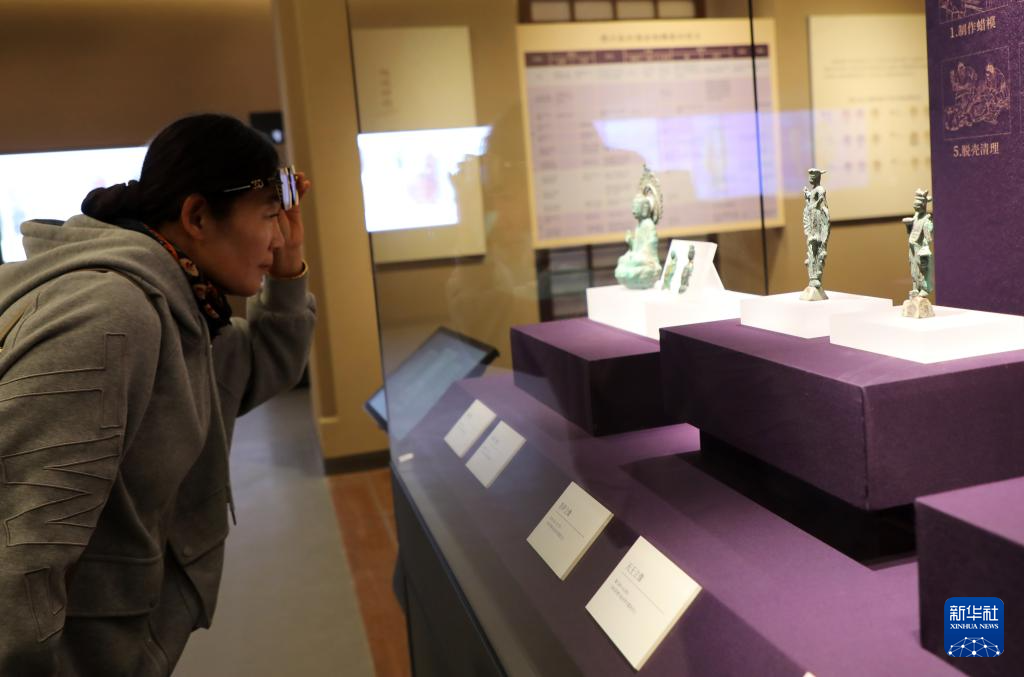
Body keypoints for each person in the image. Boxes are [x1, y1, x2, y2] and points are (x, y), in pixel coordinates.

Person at [0, 113, 316, 675]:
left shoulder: (184, 303)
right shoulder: (112, 317)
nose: (280, 236)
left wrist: (288, 272)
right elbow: (21, 555)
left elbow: (264, 364)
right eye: (270, 216)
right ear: (197, 216)